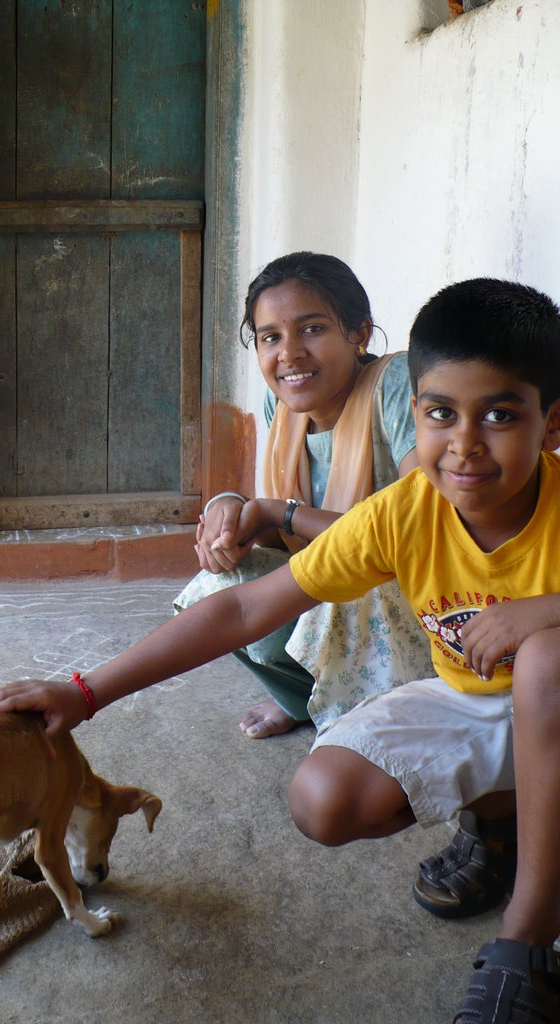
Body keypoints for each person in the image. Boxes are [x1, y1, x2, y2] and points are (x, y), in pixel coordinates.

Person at [0, 278, 560, 1024]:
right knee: (323, 799)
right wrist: (85, 691)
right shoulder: (405, 511)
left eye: (501, 415)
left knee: (554, 658)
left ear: (555, 422)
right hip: (474, 699)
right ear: (420, 412)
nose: (464, 445)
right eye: (440, 413)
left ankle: (527, 939)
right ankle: (500, 822)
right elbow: (243, 606)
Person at [175, 251, 432, 740]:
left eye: (311, 329)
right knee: (219, 584)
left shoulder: (395, 385)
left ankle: (376, 715)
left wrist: (277, 512)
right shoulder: (285, 401)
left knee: (336, 592)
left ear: (359, 332)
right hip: (333, 581)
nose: (288, 354)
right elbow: (278, 521)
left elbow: (415, 530)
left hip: (407, 592)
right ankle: (300, 699)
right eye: (270, 337)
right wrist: (229, 512)